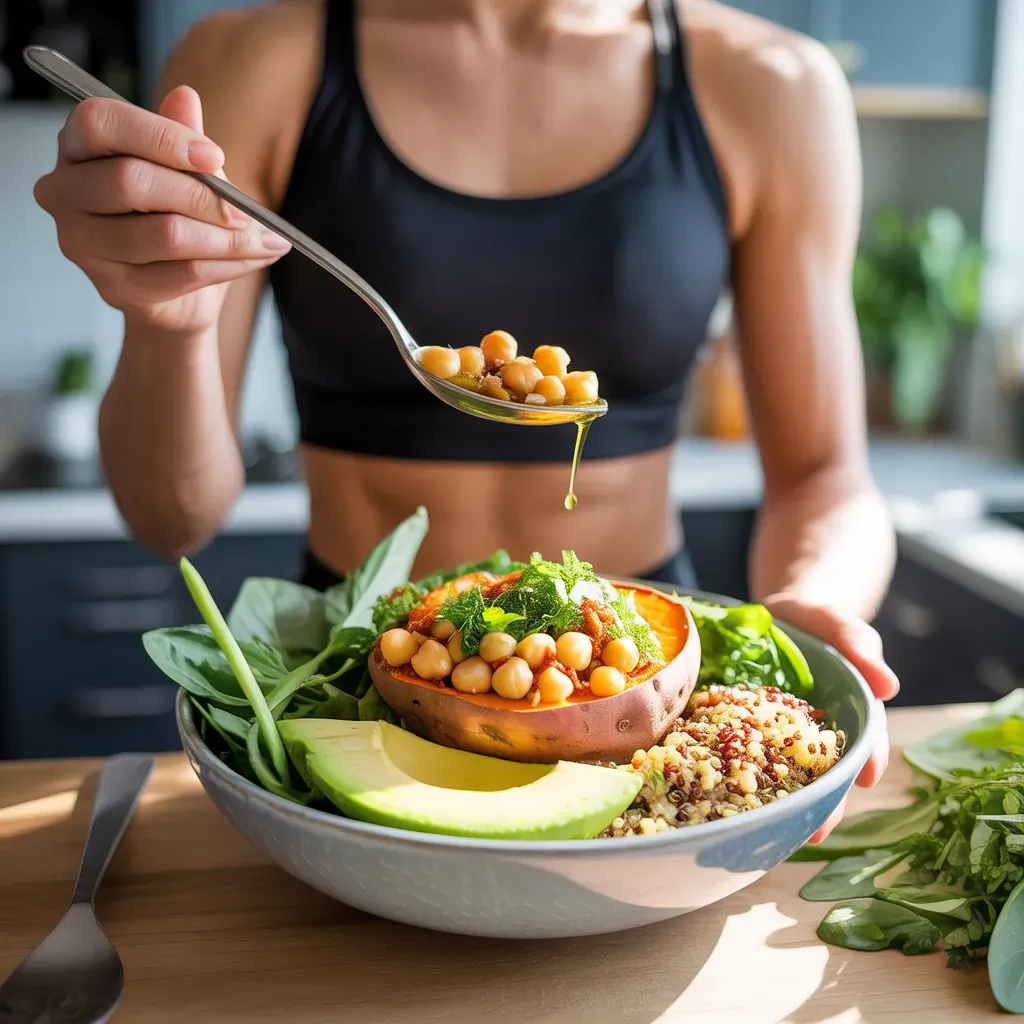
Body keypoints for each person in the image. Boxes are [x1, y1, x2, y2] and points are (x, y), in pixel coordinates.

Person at [33, 0, 899, 840]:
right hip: (354, 677)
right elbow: (167, 517)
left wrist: (814, 606)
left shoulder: (772, 83)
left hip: (638, 691)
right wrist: (170, 325)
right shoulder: (251, 58)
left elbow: (827, 477)